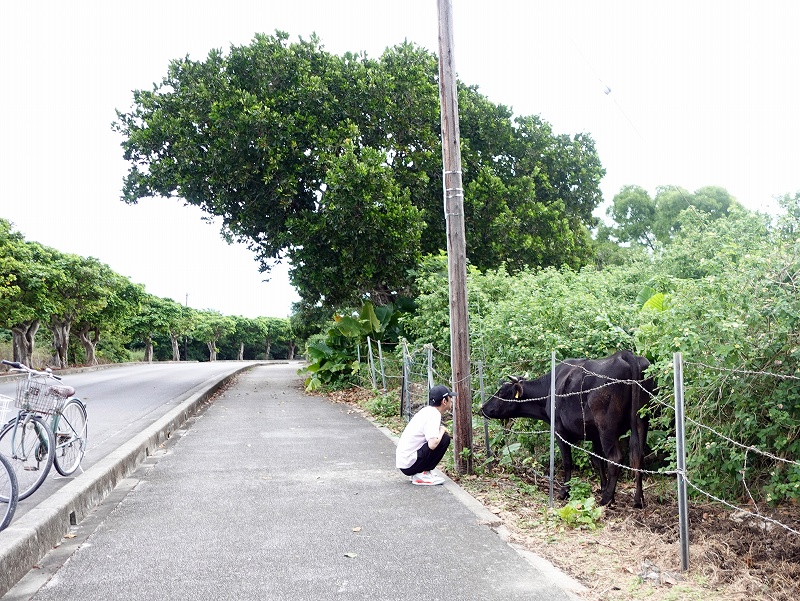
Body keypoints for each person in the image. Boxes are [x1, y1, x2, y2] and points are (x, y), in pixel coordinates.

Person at [395, 384, 454, 486]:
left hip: (405, 462)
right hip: (409, 464)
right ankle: (423, 474)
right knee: (444, 439)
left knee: (441, 437)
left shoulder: (427, 411)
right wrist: (442, 430)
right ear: (444, 401)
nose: (451, 401)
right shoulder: (434, 415)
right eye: (450, 398)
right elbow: (432, 444)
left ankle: (423, 472)